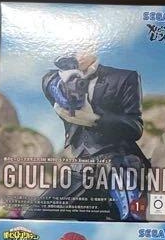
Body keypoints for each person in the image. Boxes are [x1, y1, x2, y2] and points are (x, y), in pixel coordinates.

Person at [36, 45, 150, 220]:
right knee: (35, 215)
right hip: (80, 169)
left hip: (117, 162)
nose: (78, 54)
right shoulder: (55, 77)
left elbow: (135, 127)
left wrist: (96, 118)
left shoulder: (123, 77)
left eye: (83, 47)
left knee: (131, 216)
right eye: (73, 49)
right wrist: (63, 82)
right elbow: (48, 81)